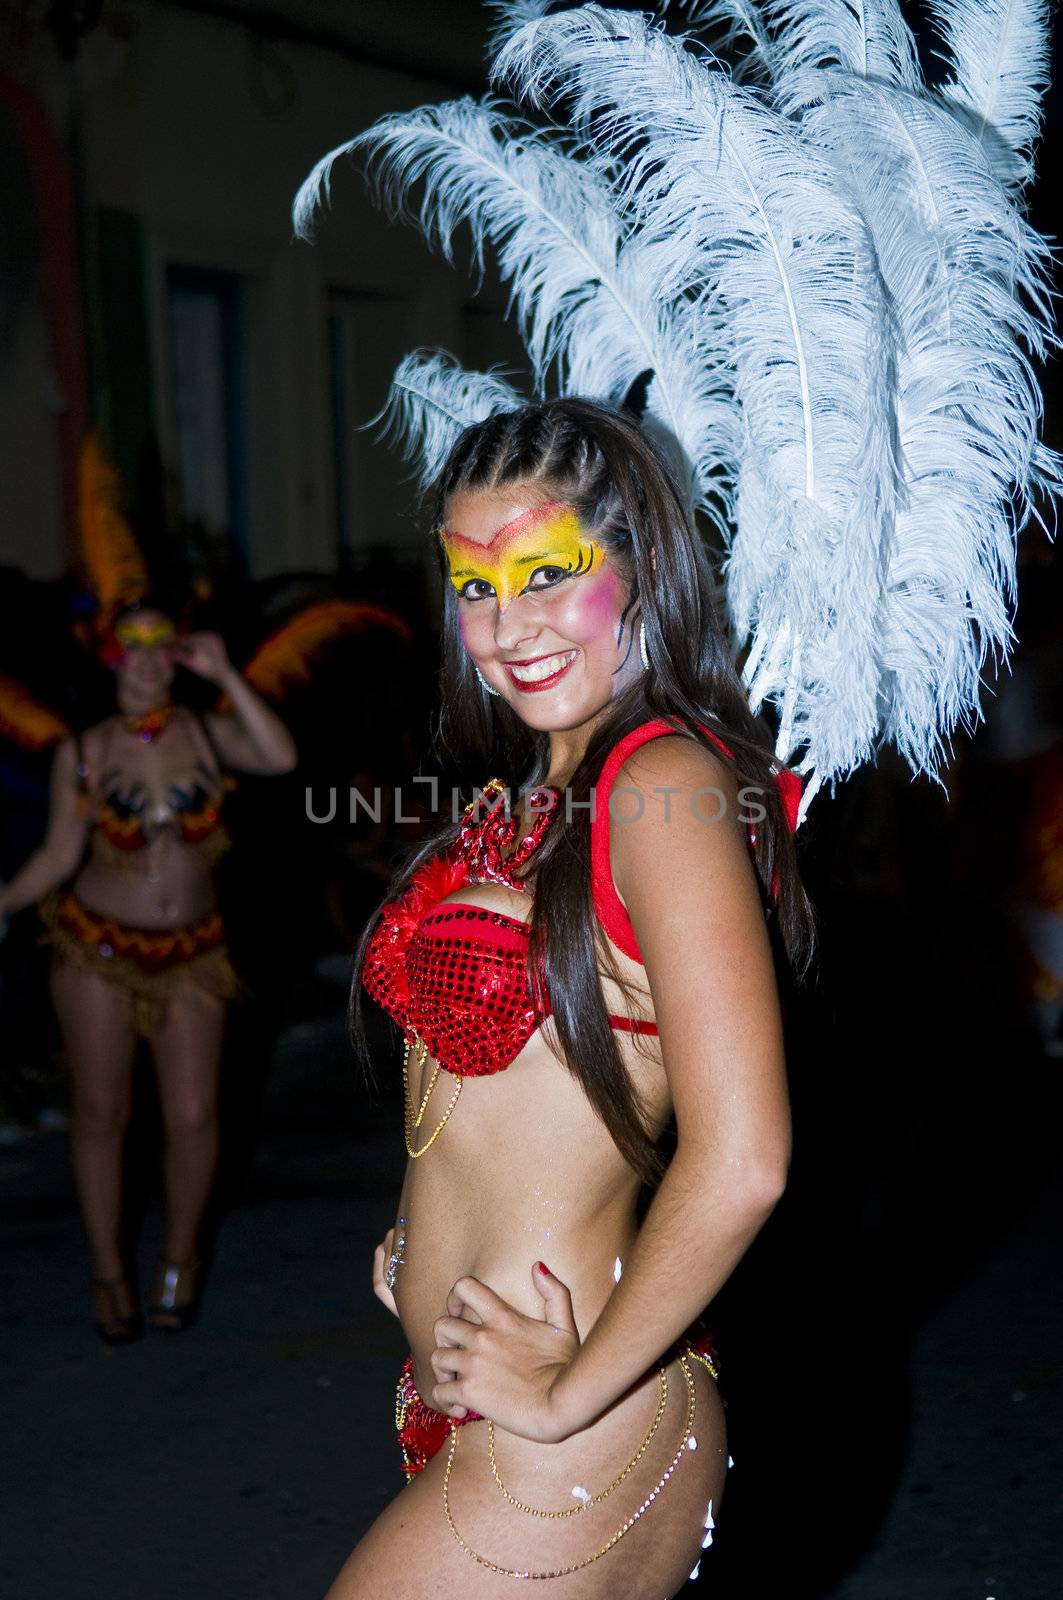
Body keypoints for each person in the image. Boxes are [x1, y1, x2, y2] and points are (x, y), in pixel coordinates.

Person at [329, 400, 814, 1596]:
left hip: (577, 1415)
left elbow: (745, 1155)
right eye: (475, 586)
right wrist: (429, 1233)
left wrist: (566, 1388)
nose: (510, 624)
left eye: (550, 573)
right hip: (499, 1403)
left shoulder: (661, 782)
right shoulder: (548, 790)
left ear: (640, 568)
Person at [0, 605, 297, 1342]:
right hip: (97, 951)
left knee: (194, 1116)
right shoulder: (87, 751)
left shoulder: (207, 733)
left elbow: (281, 757)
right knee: (103, 1116)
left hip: (193, 953)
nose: (147, 658)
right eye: (130, 646)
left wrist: (226, 671)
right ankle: (108, 1271)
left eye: (161, 645)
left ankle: (179, 1259)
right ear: (108, 659)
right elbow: (58, 857)